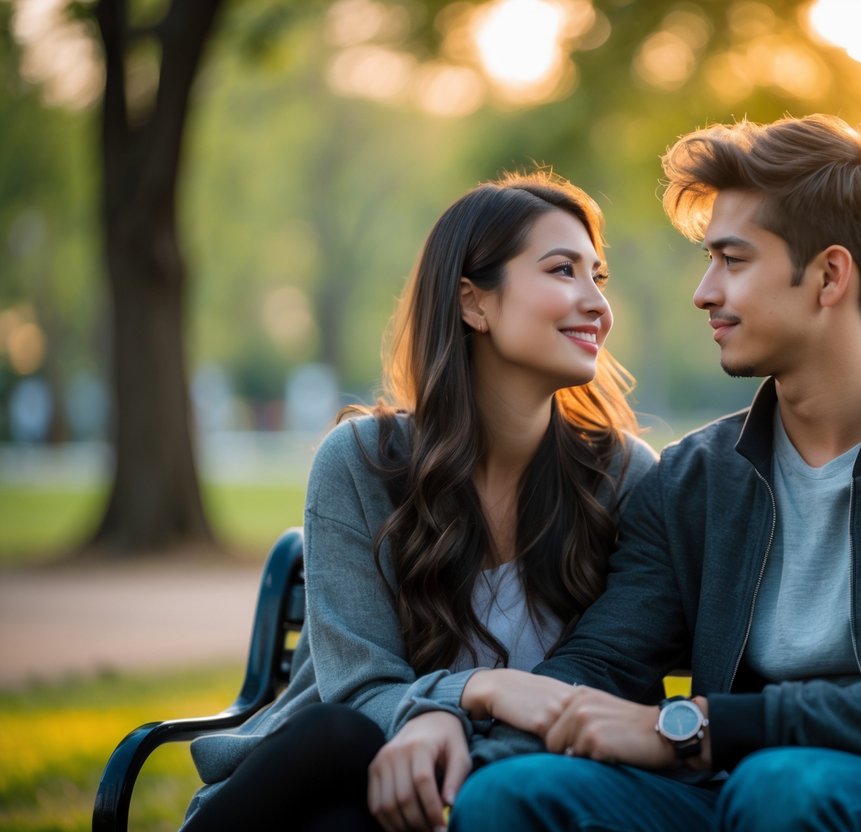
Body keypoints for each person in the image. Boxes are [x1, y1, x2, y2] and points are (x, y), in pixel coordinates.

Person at [447, 115, 861, 831]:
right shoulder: (694, 479)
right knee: (511, 795)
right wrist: (461, 719)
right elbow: (605, 659)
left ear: (829, 276)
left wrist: (697, 728)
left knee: (784, 787)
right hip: (737, 794)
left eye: (732, 260)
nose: (704, 292)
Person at [180, 171, 655, 831]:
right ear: (473, 303)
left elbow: (618, 681)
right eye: (561, 271)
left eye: (597, 278)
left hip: (504, 796)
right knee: (343, 758)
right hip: (322, 779)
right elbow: (355, 696)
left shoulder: (622, 476)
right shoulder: (359, 463)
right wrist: (481, 689)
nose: (596, 304)